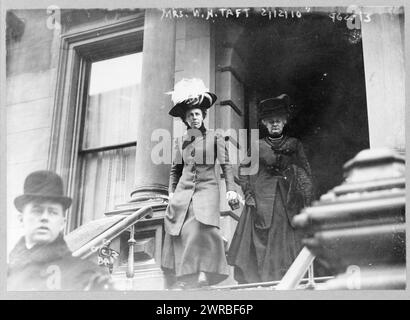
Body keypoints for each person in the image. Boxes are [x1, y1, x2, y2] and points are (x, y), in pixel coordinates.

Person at [227, 94, 314, 283]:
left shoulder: (294, 144)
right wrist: (249, 194)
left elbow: (306, 172)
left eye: (278, 121)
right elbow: (244, 171)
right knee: (262, 242)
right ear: (265, 124)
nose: (275, 124)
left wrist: (302, 192)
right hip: (262, 200)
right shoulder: (258, 146)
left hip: (288, 199)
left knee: (287, 240)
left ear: (284, 123)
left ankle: (288, 280)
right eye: (271, 122)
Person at [161, 78, 239, 289]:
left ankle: (207, 269)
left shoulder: (216, 137)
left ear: (203, 115)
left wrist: (231, 190)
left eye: (197, 114)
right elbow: (175, 170)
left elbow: (226, 166)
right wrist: (171, 193)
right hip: (183, 194)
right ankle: (190, 277)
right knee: (183, 231)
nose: (194, 118)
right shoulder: (182, 142)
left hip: (207, 190)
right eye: (190, 116)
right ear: (185, 120)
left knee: (202, 228)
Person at [7, 170, 112, 291]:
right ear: (21, 219)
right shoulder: (6, 274)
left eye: (52, 212)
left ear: (62, 223)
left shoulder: (89, 275)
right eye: (37, 211)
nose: (44, 217)